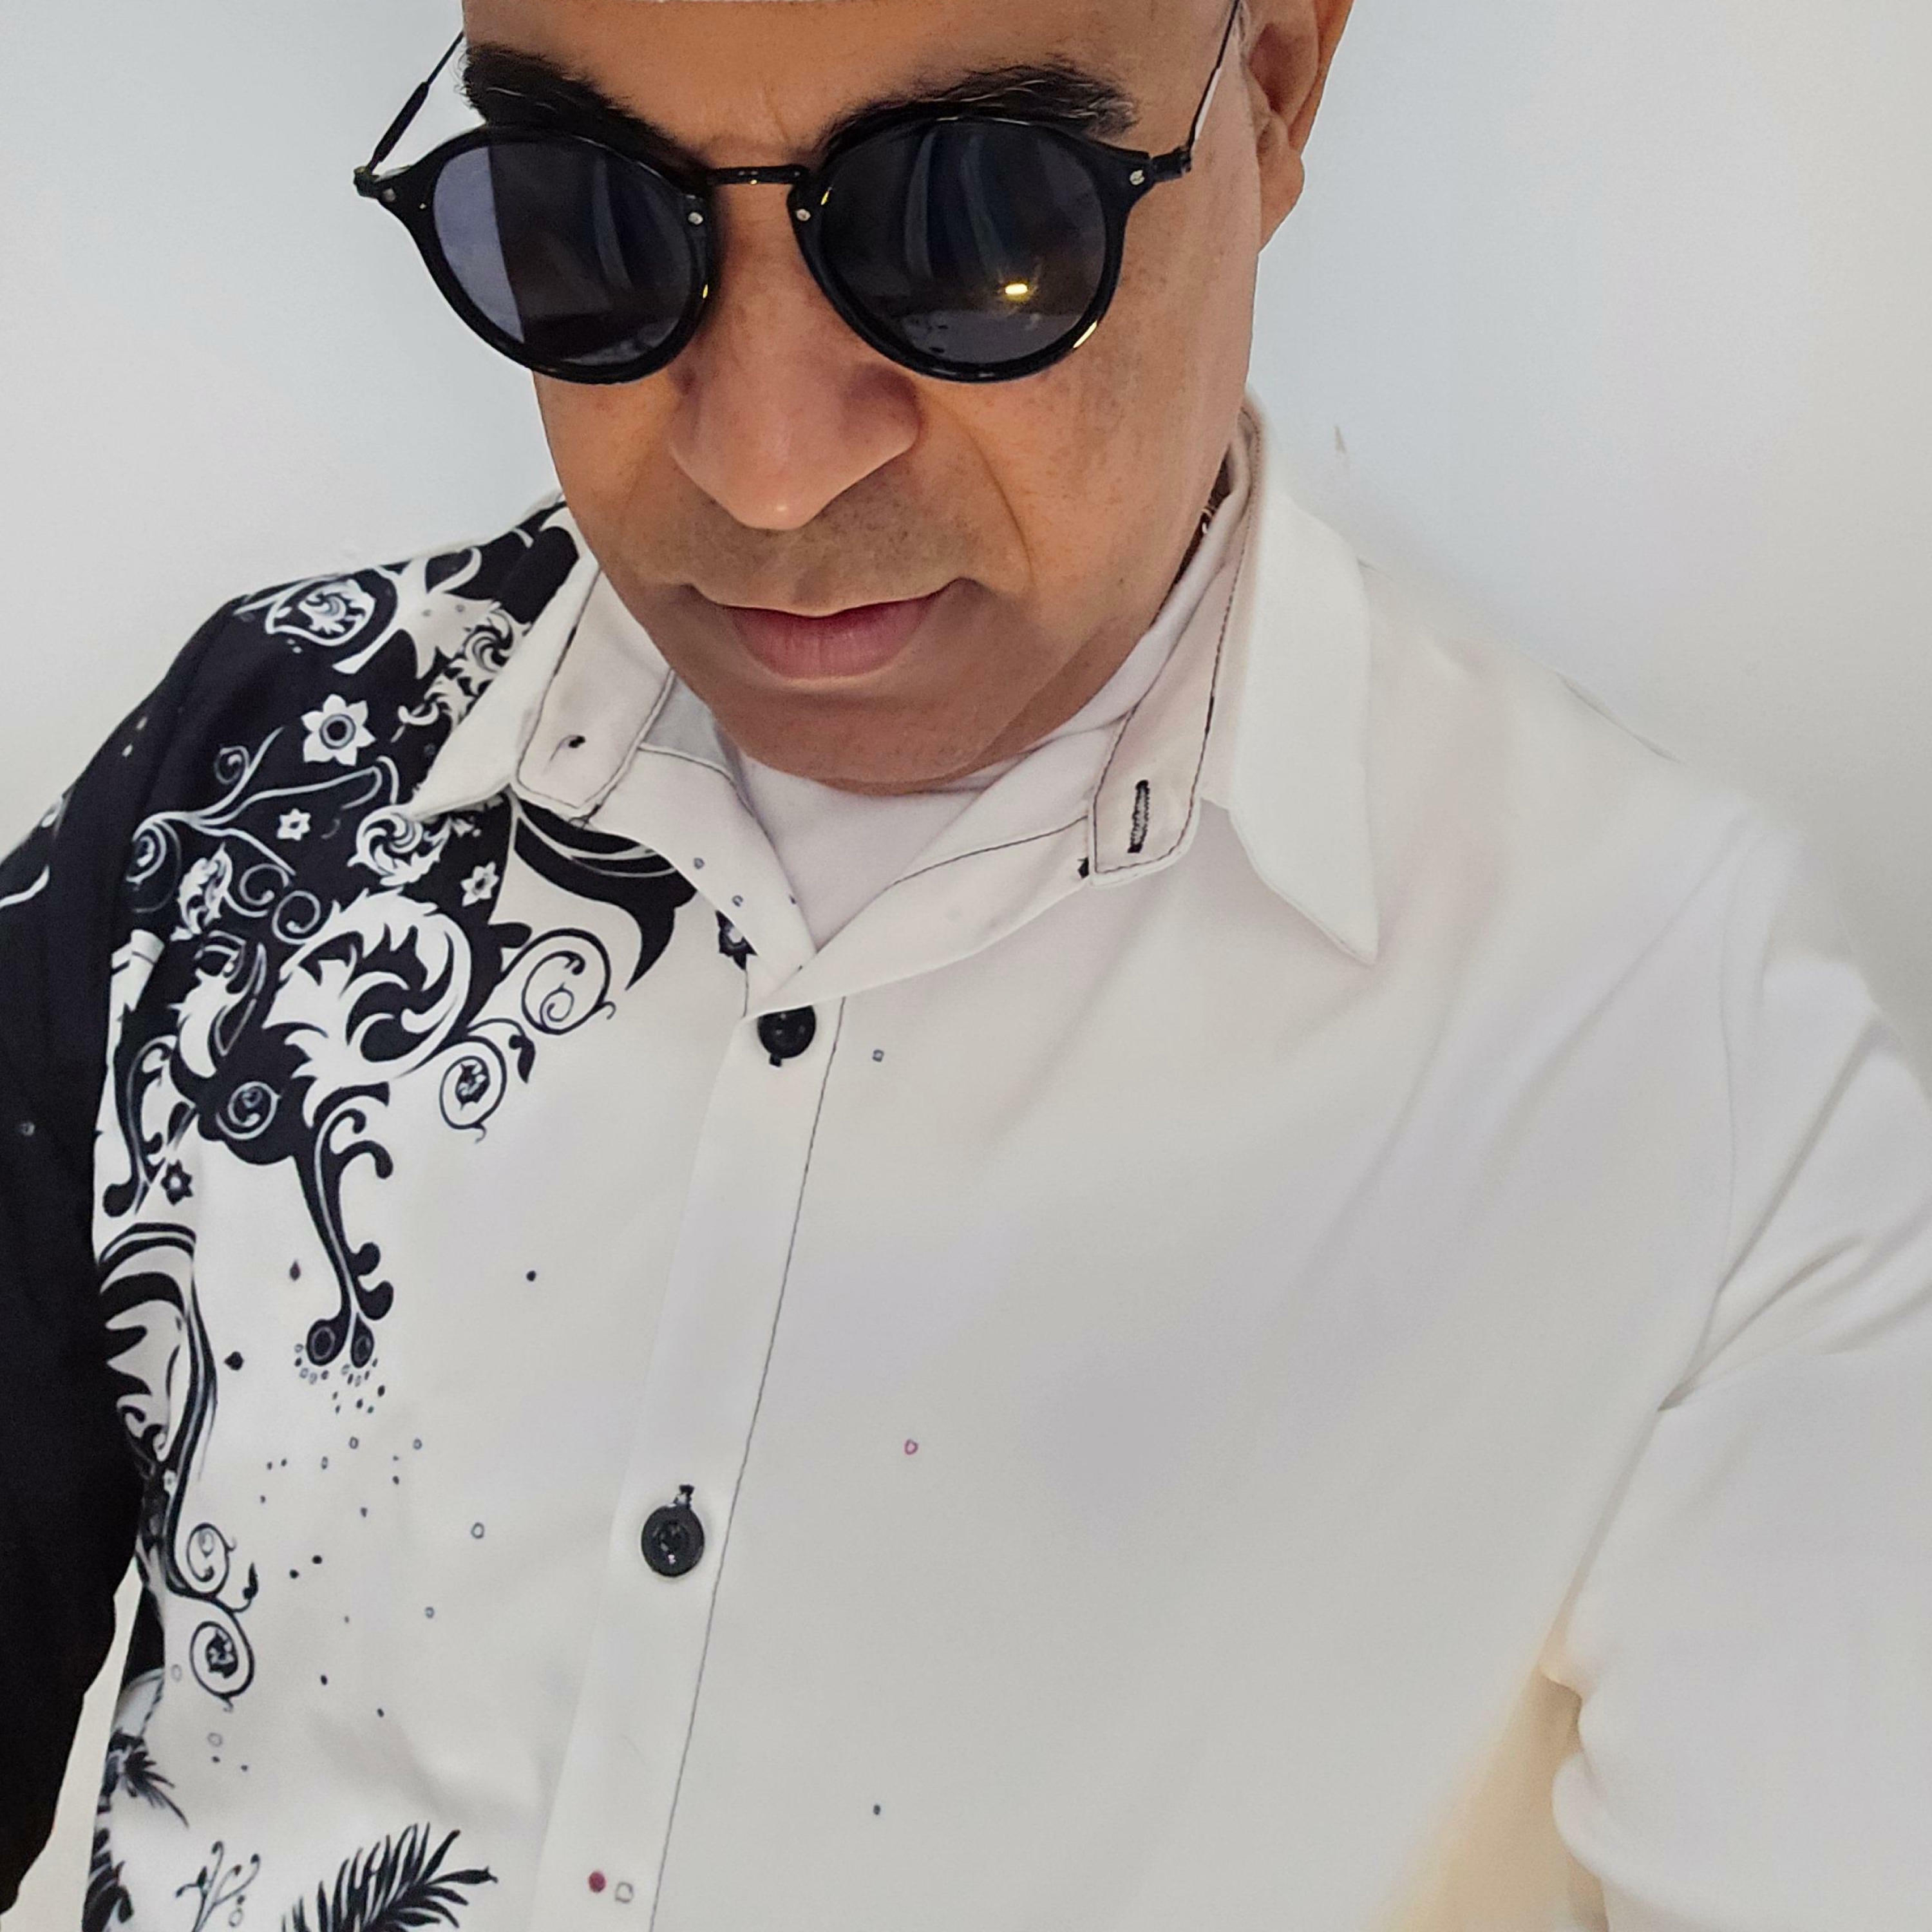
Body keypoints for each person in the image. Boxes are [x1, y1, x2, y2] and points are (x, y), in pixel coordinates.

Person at [4, 0, 1929, 1925]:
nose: (767, 470)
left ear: (1274, 86)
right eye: (587, 213)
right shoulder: (246, 779)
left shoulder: (1675, 1048)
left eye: (975, 221)